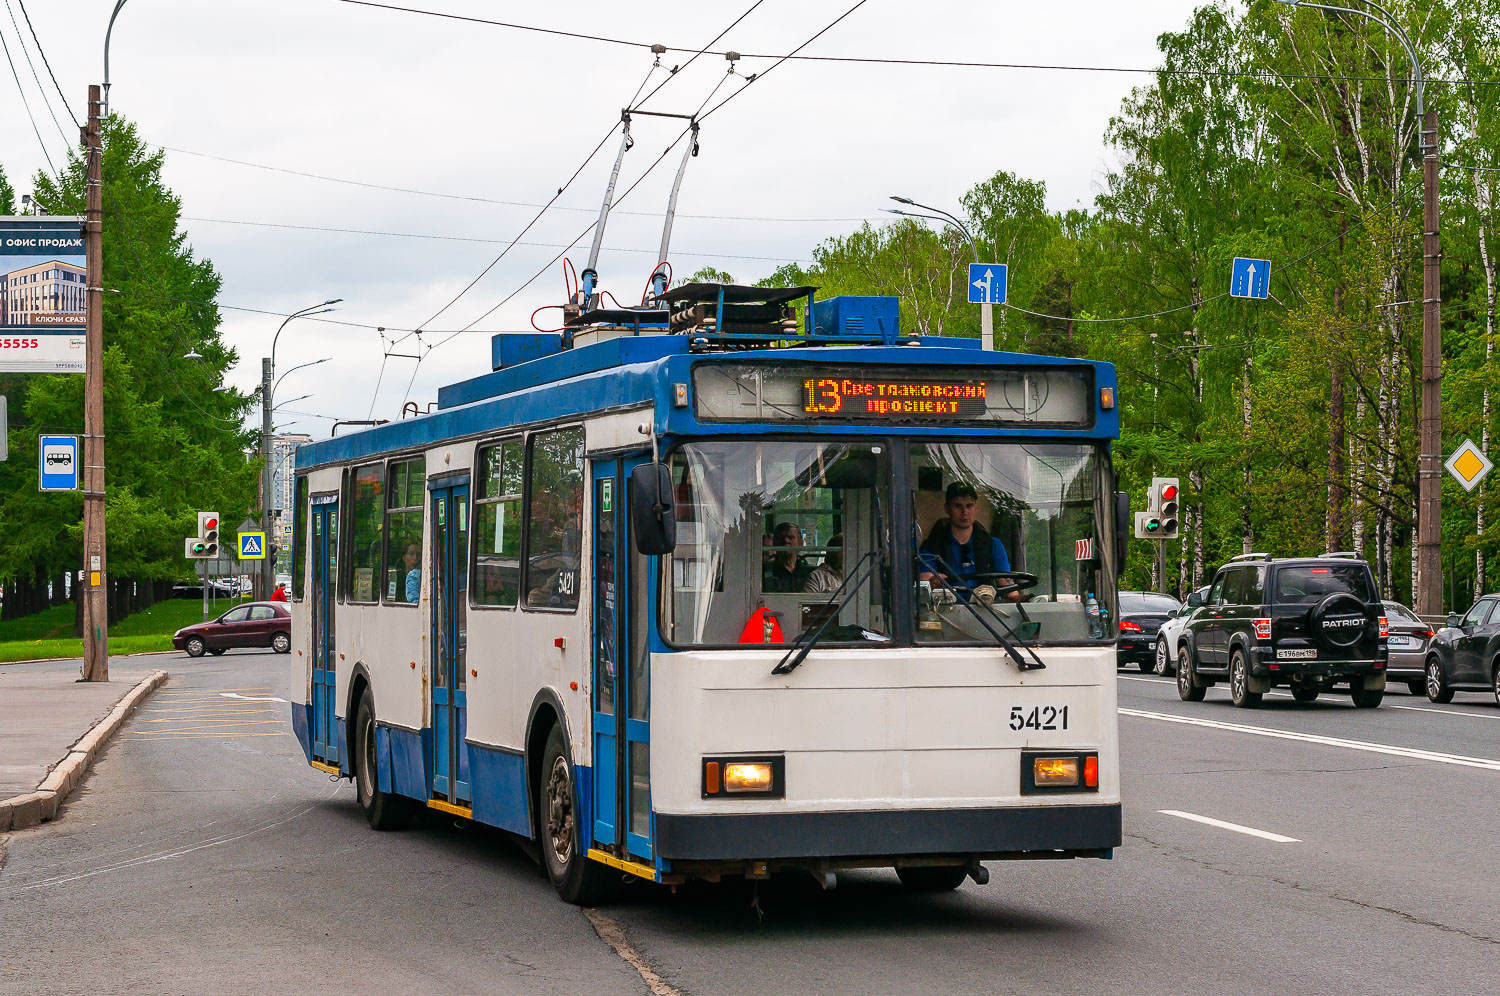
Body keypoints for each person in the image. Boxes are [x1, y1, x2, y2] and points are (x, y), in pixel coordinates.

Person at [918, 482, 1020, 602]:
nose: (964, 512)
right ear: (947, 509)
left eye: (969, 505)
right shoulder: (931, 547)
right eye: (958, 506)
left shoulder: (993, 545)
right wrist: (935, 581)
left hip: (987, 613)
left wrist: (1017, 597)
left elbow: (1006, 584)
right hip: (945, 614)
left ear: (976, 508)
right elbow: (926, 582)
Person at [763, 521, 814, 592]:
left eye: (791, 537)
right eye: (781, 537)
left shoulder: (809, 573)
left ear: (800, 544)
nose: (786, 540)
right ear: (775, 543)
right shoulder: (764, 571)